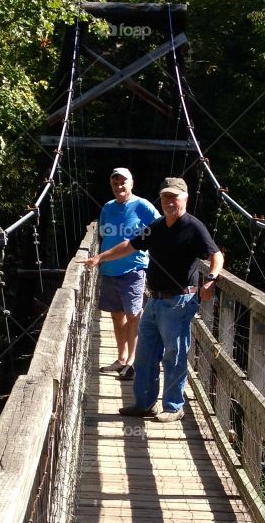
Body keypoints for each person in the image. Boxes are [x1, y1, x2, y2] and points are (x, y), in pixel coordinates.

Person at [85, 176, 224, 422]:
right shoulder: (157, 226)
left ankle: (173, 407)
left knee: (174, 354)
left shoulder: (193, 226)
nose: (169, 202)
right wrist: (101, 258)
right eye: (165, 197)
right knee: (145, 354)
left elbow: (216, 254)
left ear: (185, 198)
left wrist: (211, 278)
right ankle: (144, 404)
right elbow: (130, 245)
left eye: (175, 197)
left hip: (179, 301)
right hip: (154, 301)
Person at [95, 168, 160, 380]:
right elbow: (103, 232)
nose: (119, 187)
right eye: (115, 183)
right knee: (116, 315)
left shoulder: (143, 206)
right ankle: (121, 358)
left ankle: (132, 362)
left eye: (123, 183)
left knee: (134, 316)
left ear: (131, 183)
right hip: (109, 270)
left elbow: (161, 228)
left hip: (133, 269)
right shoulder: (108, 207)